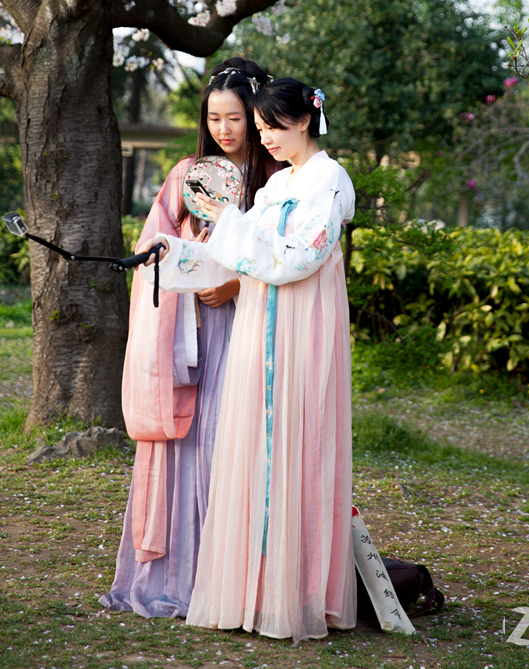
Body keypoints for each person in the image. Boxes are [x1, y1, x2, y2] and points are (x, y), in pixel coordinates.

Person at [139, 79, 356, 642]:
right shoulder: (276, 184)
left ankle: (297, 594)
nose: (265, 139)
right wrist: (184, 252)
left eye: (272, 127)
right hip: (259, 321)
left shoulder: (330, 182)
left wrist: (231, 227)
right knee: (256, 452)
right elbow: (235, 251)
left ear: (305, 121)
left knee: (295, 449)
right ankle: (254, 590)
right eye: (260, 129)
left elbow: (298, 259)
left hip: (300, 325)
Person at [100, 57, 278, 619]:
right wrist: (179, 263)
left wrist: (235, 285)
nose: (225, 129)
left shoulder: (276, 180)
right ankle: (181, 571)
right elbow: (157, 244)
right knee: (190, 444)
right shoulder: (188, 174)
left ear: (256, 116)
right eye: (215, 118)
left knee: (234, 441)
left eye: (235, 118)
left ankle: (235, 576)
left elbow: (288, 258)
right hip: (188, 328)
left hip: (247, 327)